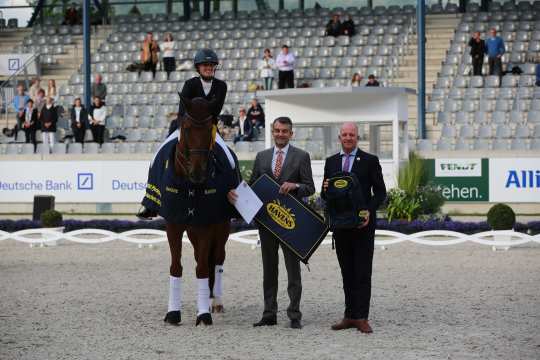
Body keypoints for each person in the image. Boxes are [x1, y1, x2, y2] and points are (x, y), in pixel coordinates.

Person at [228, 116, 315, 329]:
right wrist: (236, 195)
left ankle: (294, 314)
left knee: (293, 270)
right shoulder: (262, 157)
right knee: (269, 269)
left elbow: (310, 187)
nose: (280, 134)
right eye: (277, 130)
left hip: (290, 223)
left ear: (291, 133)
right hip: (267, 223)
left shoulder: (302, 156)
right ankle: (269, 313)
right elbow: (252, 187)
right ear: (272, 131)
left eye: (285, 131)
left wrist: (295, 185)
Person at [137, 48, 229, 220]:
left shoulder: (221, 86)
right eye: (205, 65)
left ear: (215, 67)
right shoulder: (190, 84)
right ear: (198, 68)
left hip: (209, 128)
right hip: (186, 128)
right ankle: (150, 203)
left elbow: (216, 111)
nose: (208, 68)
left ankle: (236, 205)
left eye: (211, 65)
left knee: (231, 159)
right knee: (157, 155)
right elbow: (182, 111)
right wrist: (187, 126)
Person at [322, 122, 386, 333]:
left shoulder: (370, 161)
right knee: (346, 272)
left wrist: (368, 210)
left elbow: (380, 193)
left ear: (357, 137)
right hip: (340, 226)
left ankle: (361, 317)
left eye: (352, 135)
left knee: (362, 272)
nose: (348, 138)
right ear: (339, 137)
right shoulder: (331, 162)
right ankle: (349, 315)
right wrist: (324, 190)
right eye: (345, 135)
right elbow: (327, 195)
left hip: (362, 226)